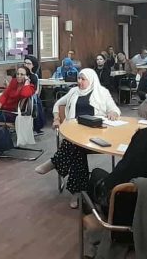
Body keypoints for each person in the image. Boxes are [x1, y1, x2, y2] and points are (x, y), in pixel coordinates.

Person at [34, 69, 120, 208]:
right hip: (76, 131)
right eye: (78, 78)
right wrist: (56, 118)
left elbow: (114, 109)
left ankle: (55, 162)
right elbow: (58, 104)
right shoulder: (74, 91)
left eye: (83, 79)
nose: (79, 81)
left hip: (96, 134)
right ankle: (77, 191)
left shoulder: (102, 92)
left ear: (91, 80)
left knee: (74, 146)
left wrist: (113, 113)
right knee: (76, 147)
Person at [24, 55, 45, 135]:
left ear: (33, 65)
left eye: (28, 64)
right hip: (22, 97)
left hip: (31, 97)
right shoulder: (20, 74)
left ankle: (36, 128)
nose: (26, 65)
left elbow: (35, 90)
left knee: (34, 103)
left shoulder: (34, 76)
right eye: (25, 63)